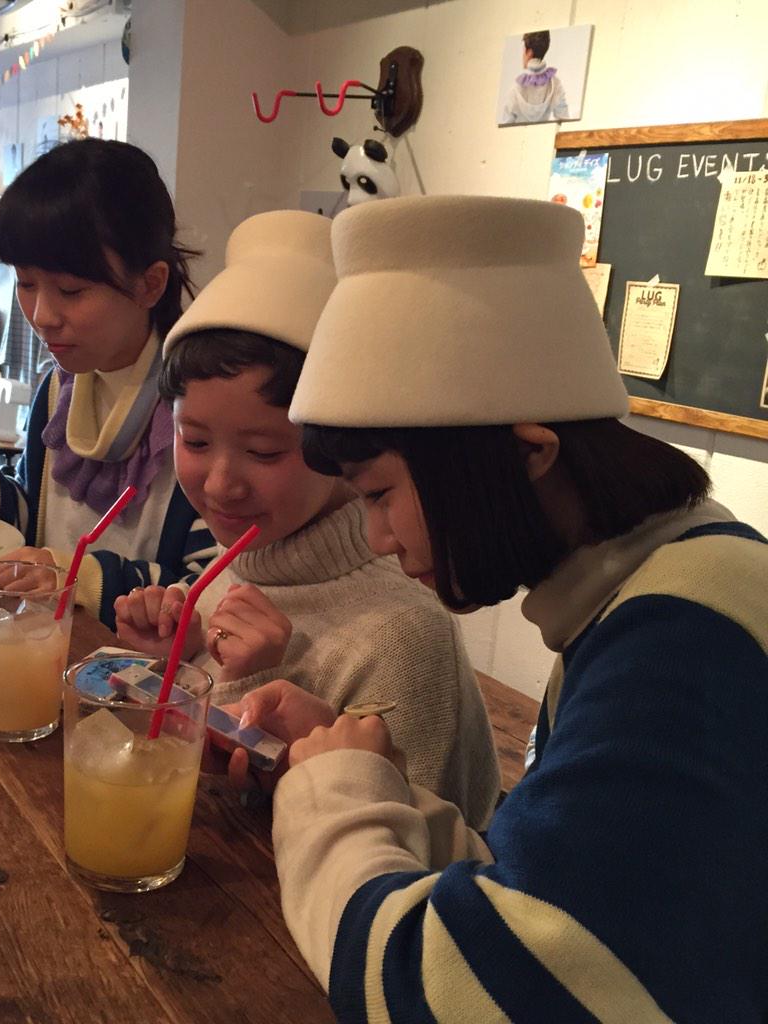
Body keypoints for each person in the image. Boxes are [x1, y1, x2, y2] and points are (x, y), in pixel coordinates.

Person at [239, 196, 767, 1021]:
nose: (377, 537)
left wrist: (334, 797)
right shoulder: (657, 592)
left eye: (381, 494)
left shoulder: (684, 638)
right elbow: (563, 900)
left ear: (529, 455)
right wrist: (362, 776)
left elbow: (457, 992)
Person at [112, 210, 499, 817]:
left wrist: (247, 685)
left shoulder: (403, 637)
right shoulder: (246, 560)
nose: (219, 484)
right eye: (194, 441)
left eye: (264, 451)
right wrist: (179, 663)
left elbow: (413, 860)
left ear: (335, 446)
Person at [0, 140, 214, 626]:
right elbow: (32, 531)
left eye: (71, 290)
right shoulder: (59, 389)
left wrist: (82, 578)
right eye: (26, 284)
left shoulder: (202, 412)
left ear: (149, 285)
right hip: (46, 650)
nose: (42, 316)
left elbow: (213, 586)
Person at [501, 29, 569, 124]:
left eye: (523, 50)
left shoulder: (516, 86)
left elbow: (505, 123)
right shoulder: (555, 83)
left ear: (529, 52)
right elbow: (564, 119)